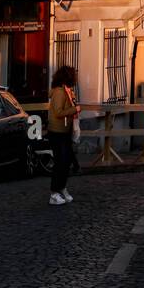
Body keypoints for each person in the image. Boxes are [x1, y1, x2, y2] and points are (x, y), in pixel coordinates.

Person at [47, 65, 80, 206]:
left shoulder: (66, 91)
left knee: (66, 162)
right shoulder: (59, 92)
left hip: (64, 131)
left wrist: (72, 101)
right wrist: (75, 108)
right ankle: (54, 193)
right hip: (57, 132)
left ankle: (61, 188)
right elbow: (59, 112)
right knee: (61, 163)